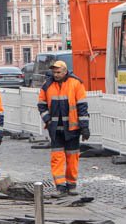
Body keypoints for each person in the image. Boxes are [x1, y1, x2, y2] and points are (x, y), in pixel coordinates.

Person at [36, 60, 90, 194]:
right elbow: (41, 105)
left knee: (72, 158)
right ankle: (60, 186)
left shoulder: (76, 83)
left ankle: (71, 185)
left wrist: (84, 127)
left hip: (72, 128)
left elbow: (82, 106)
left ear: (65, 71)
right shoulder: (47, 85)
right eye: (54, 72)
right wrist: (47, 120)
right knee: (57, 158)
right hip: (55, 129)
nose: (56, 74)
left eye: (58, 72)